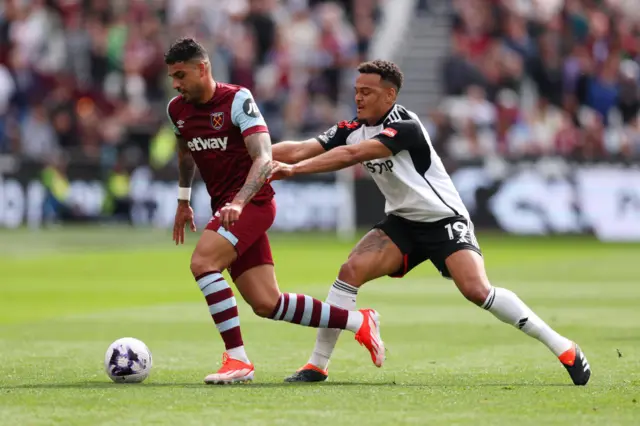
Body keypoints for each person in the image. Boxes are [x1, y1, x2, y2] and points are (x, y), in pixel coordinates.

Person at [271, 59, 591, 386]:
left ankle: (564, 347)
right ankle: (317, 365)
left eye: (367, 92)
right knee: (349, 271)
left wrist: (294, 171)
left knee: (477, 290)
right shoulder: (351, 128)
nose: (359, 98)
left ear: (390, 94)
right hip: (403, 223)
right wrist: (254, 152)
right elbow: (299, 148)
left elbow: (354, 156)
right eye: (357, 91)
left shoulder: (405, 125)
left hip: (443, 220)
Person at [165, 38, 384, 385]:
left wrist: (238, 201)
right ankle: (359, 321)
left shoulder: (237, 100)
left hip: (253, 203)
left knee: (203, 263)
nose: (175, 84)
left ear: (202, 68)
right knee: (267, 303)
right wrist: (182, 200)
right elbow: (186, 152)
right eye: (172, 77)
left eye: (180, 75)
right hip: (225, 207)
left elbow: (264, 157)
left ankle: (237, 360)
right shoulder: (177, 109)